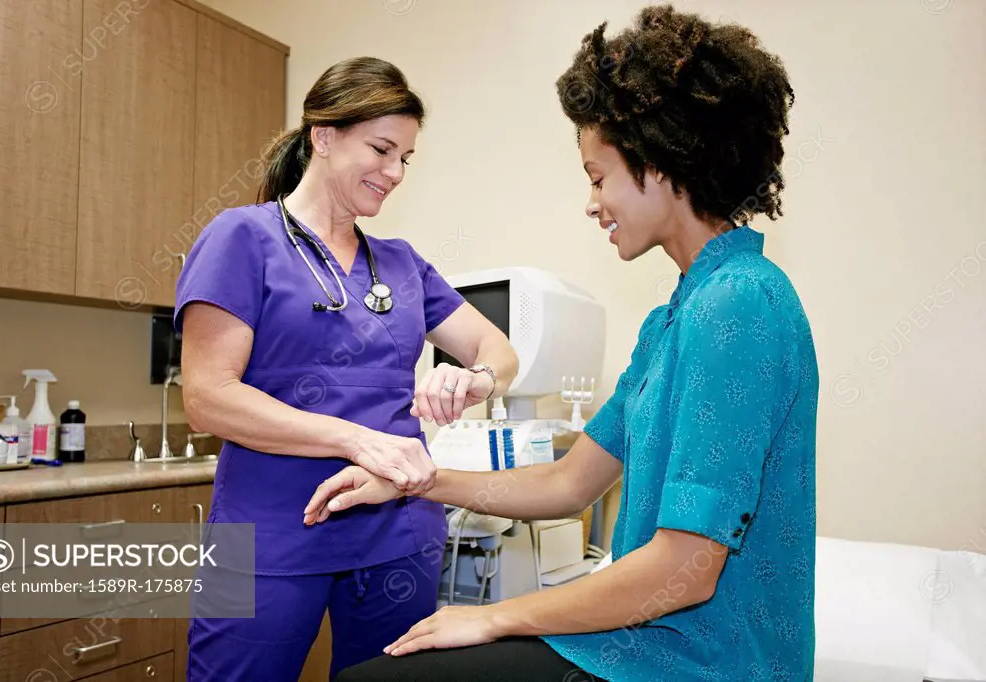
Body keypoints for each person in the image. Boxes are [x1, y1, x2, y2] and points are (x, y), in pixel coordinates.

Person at [308, 6, 819, 681]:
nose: (591, 201)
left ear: (662, 162)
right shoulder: (676, 316)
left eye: (597, 175)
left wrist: (496, 614)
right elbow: (569, 481)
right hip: (640, 646)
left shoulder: (740, 302)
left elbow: (689, 568)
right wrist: (412, 484)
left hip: (694, 662)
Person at [174, 56, 519, 681]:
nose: (395, 173)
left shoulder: (402, 262)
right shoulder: (241, 239)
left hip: (398, 532)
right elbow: (206, 398)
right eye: (382, 148)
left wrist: (475, 380)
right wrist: (358, 440)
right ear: (324, 136)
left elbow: (498, 351)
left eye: (405, 158)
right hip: (270, 536)